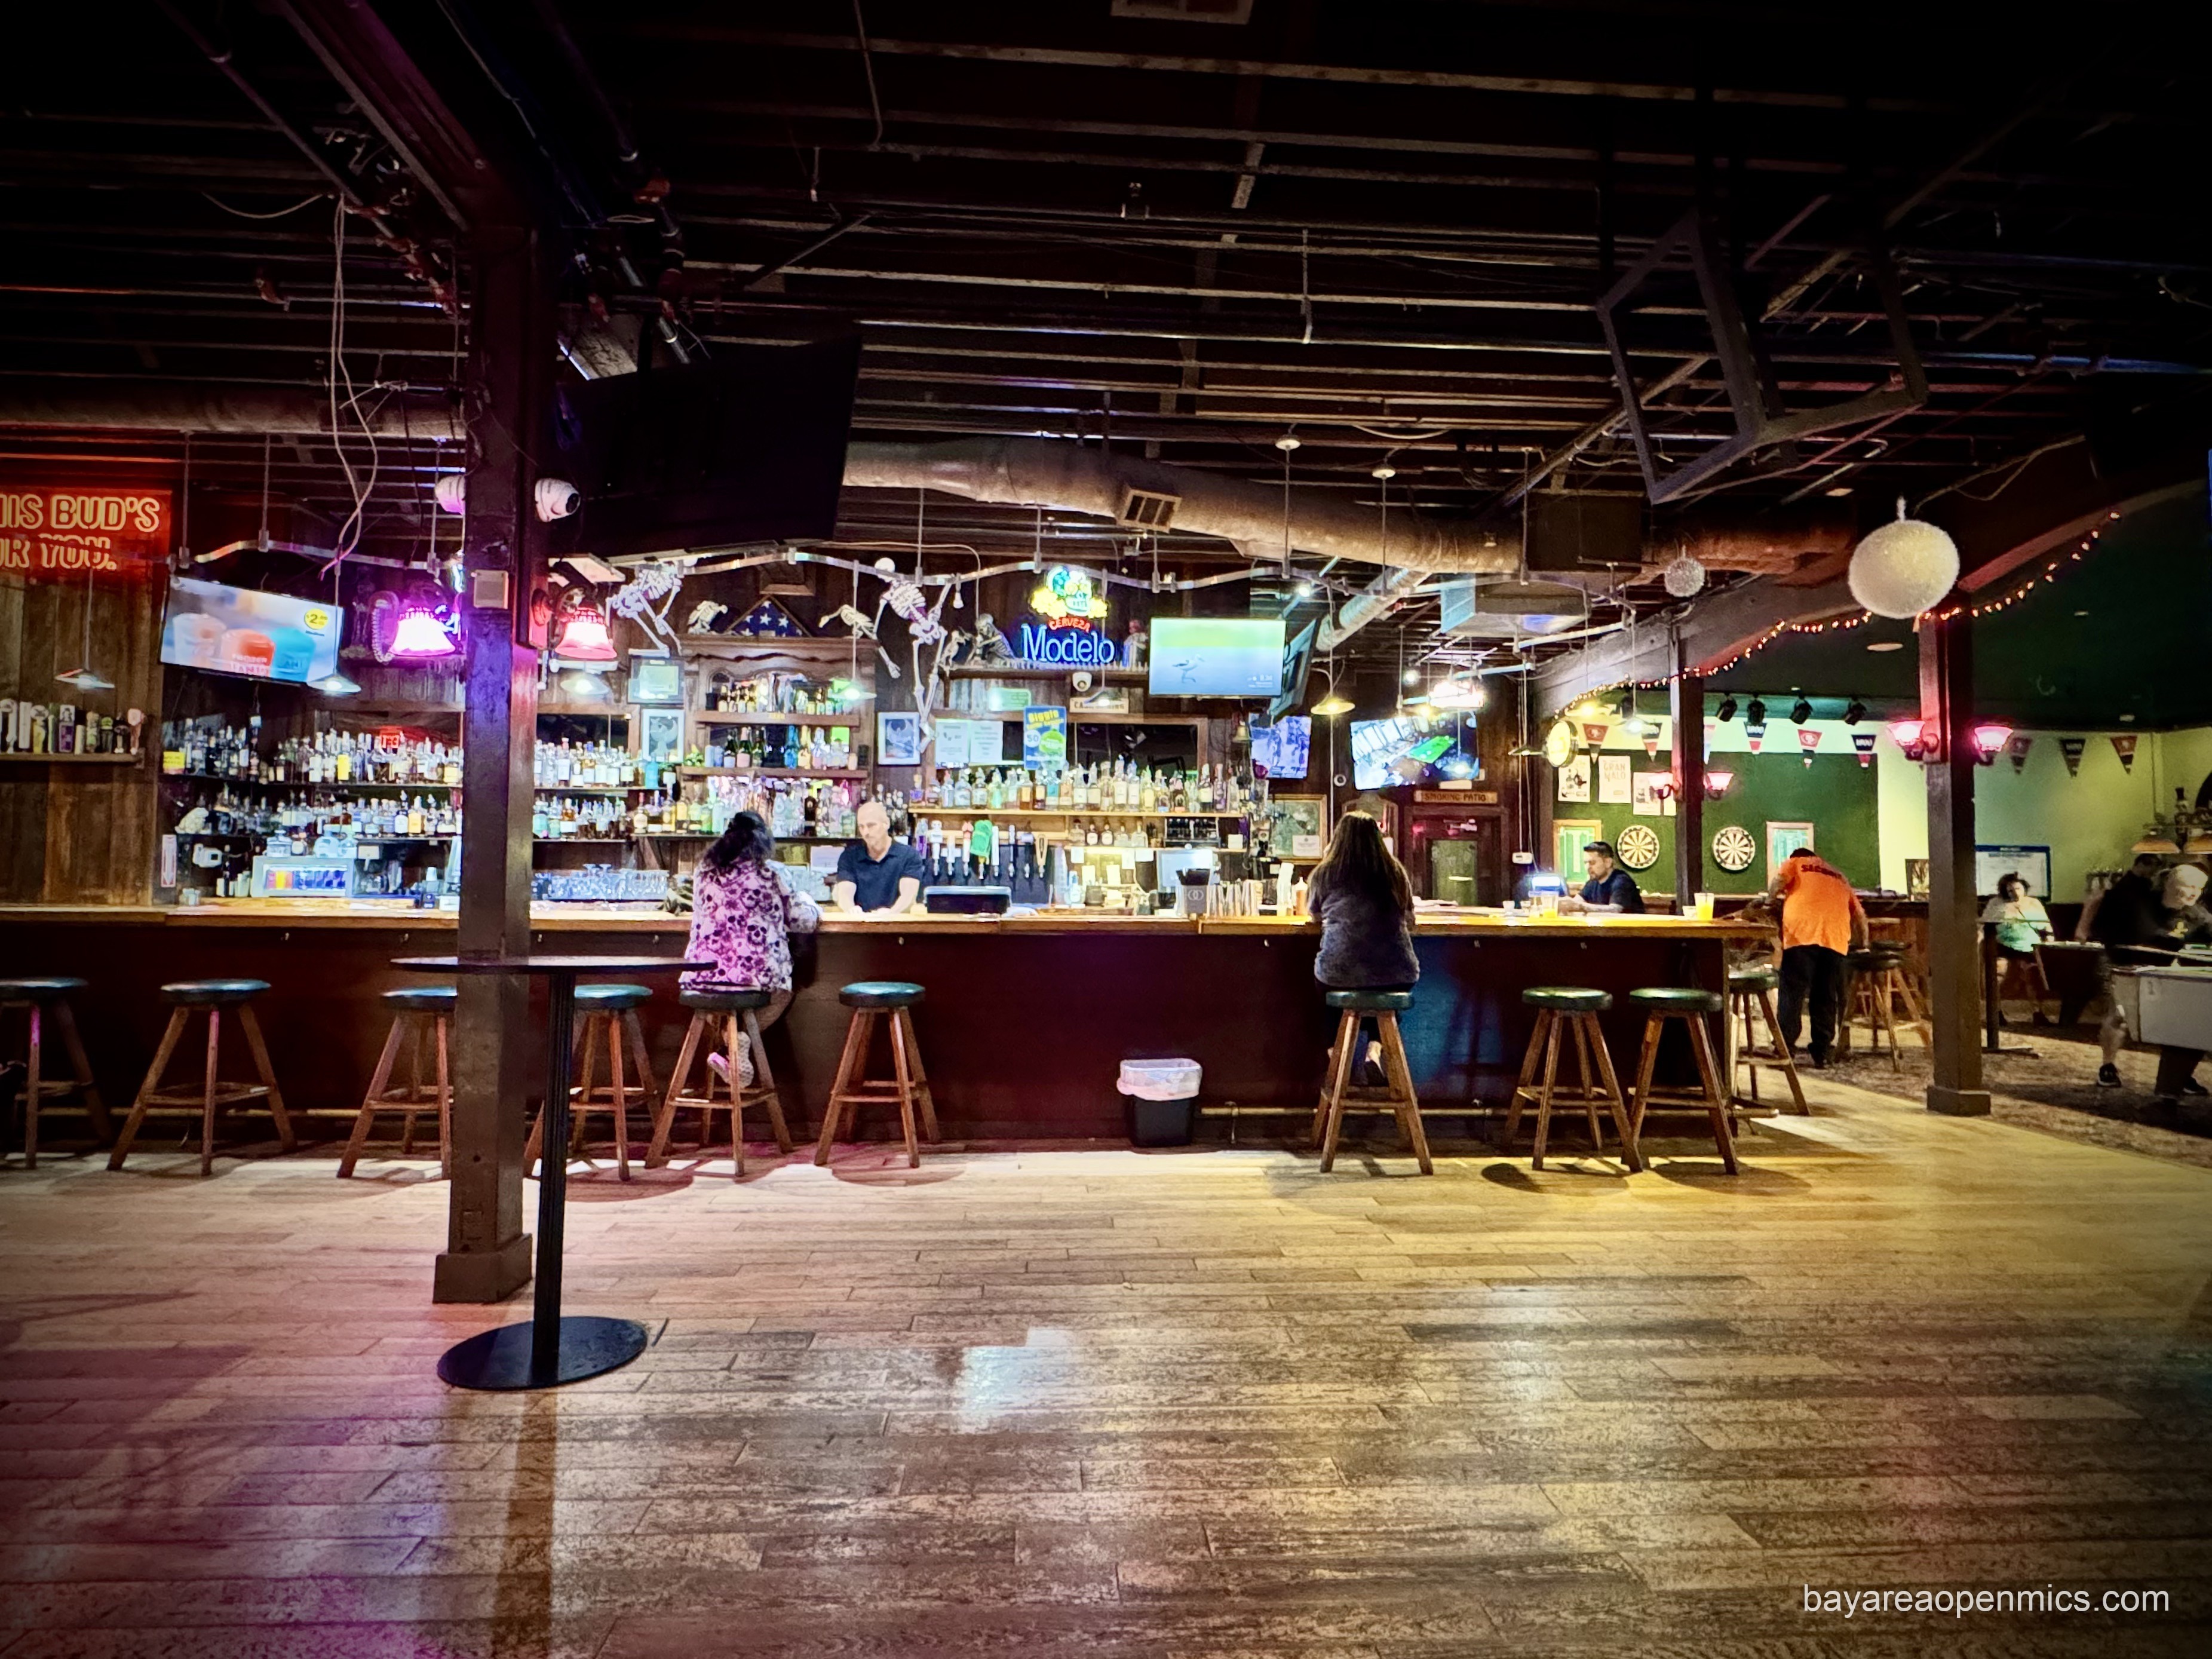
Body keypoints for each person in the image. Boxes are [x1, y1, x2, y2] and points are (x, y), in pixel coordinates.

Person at [683, 811, 820, 1084]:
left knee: (725, 1003)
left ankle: (729, 1047)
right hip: (757, 980)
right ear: (763, 842)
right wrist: (809, 902)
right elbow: (803, 922)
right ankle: (737, 1043)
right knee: (785, 989)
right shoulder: (772, 873)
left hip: (701, 980)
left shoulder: (703, 872)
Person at [1301, 811, 1419, 1085]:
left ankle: (1338, 1060)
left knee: (1330, 1002)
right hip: (1398, 972)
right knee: (1386, 996)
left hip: (1340, 973)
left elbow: (1314, 916)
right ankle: (1374, 1051)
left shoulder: (1325, 874)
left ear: (1338, 839)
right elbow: (1411, 919)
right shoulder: (1395, 872)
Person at [2091, 862, 2212, 1091]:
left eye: (2200, 887)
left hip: (2162, 968)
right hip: (2122, 962)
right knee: (2119, 1015)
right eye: (2189, 886)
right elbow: (2099, 899)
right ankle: (2108, 1067)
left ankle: (2179, 1076)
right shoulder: (2140, 902)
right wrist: (2083, 930)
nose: (2195, 892)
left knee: (2179, 1021)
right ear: (2171, 885)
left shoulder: (2197, 914)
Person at [1769, 847, 1867, 1068]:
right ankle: (1823, 1053)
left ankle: (1785, 1050)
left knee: (1792, 994)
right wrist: (1865, 944)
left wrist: (1769, 900)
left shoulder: (1795, 863)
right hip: (1836, 940)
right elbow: (1860, 915)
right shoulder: (1838, 874)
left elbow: (1778, 883)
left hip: (1801, 935)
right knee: (1826, 996)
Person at [1981, 872, 2053, 1024]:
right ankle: (1996, 1012)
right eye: (2011, 890)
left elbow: (2045, 924)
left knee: (2032, 979)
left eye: (2019, 889)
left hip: (2028, 945)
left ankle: (2037, 1012)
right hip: (2004, 945)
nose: (2016, 893)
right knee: (1997, 977)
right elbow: (1984, 923)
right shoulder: (1996, 903)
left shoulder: (2033, 903)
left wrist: (2050, 937)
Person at [833, 798, 925, 914]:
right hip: (859, 925)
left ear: (886, 824)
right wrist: (851, 909)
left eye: (871, 826)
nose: (865, 832)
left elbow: (908, 897)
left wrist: (891, 913)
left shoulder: (908, 856)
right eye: (861, 827)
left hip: (897, 927)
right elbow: (845, 893)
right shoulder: (850, 856)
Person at [1573, 841, 1645, 913]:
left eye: (1592, 863)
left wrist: (1582, 907)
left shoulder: (1622, 881)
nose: (1588, 867)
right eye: (1586, 863)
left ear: (1608, 863)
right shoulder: (1592, 883)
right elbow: (1576, 902)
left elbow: (1615, 910)